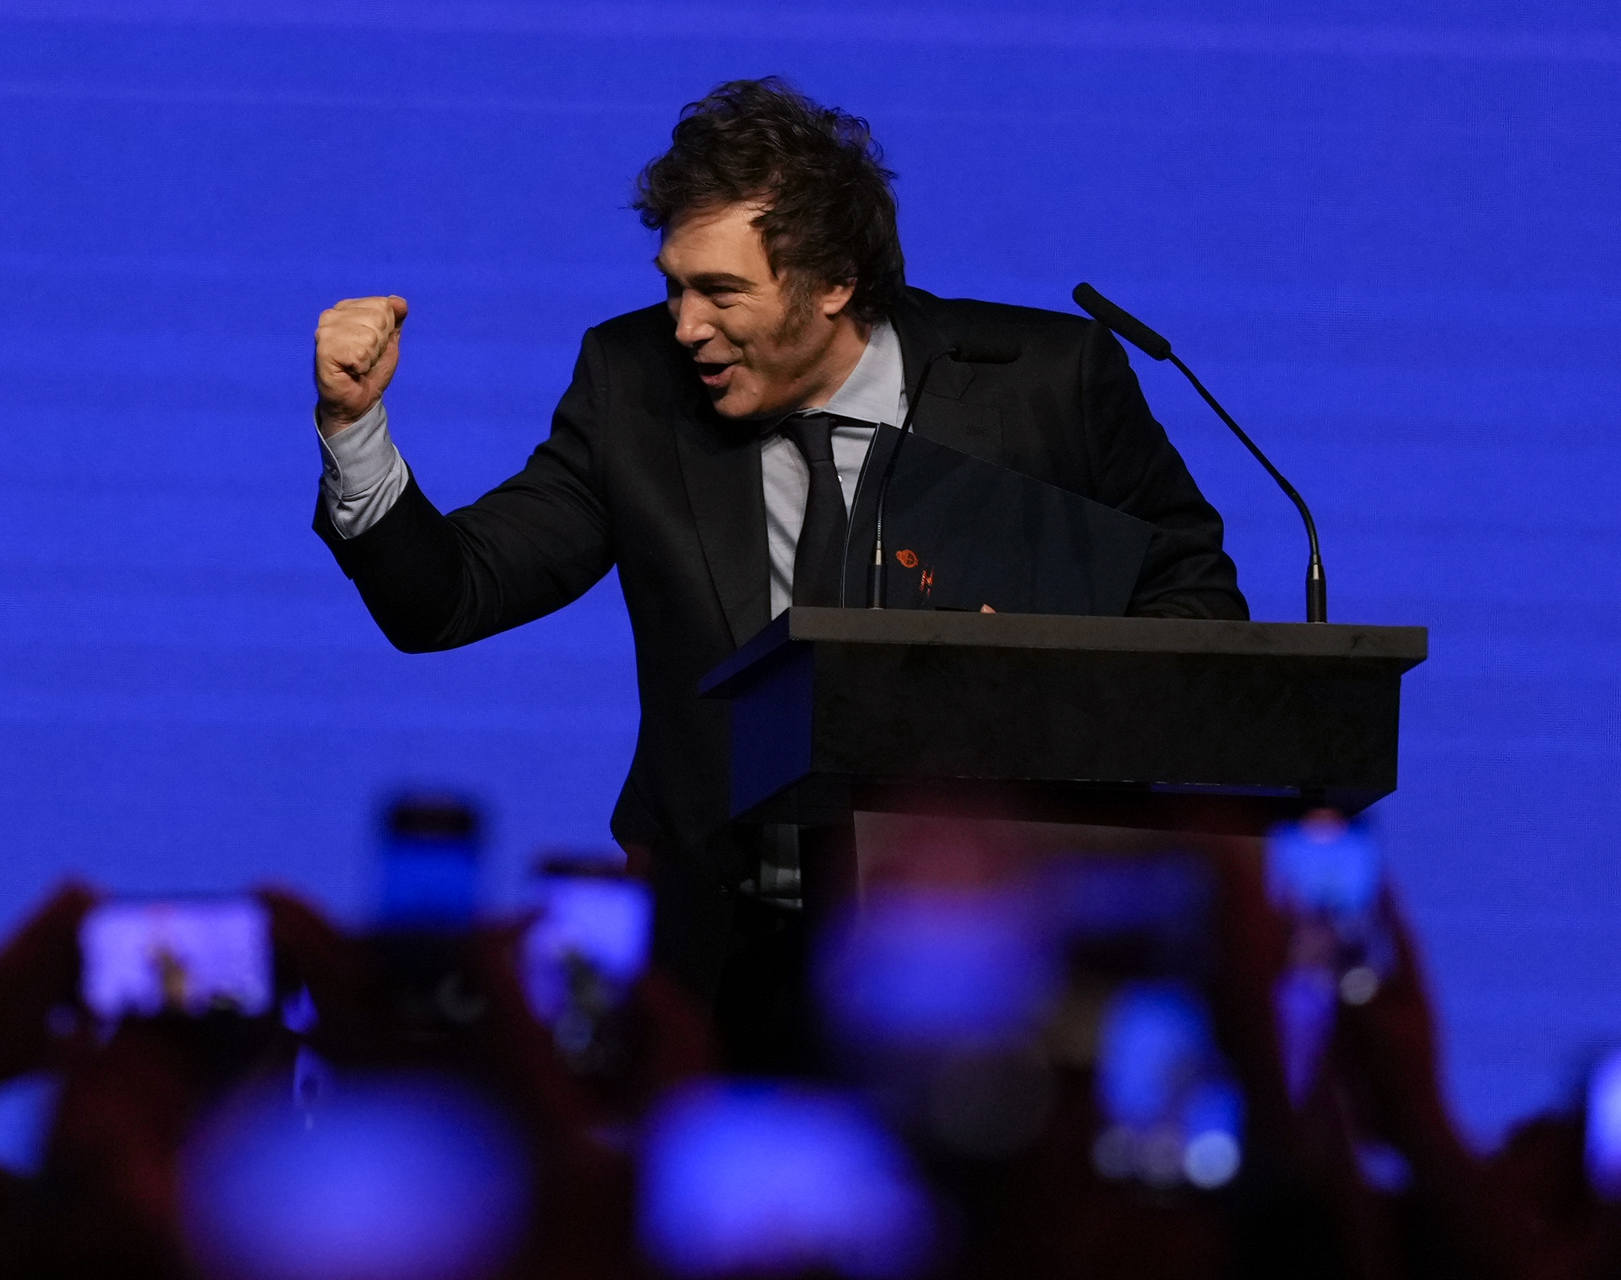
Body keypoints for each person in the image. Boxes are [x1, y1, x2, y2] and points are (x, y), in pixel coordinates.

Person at [308, 78, 1247, 1064]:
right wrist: (355, 428)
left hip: (987, 961)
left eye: (720, 291)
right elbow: (449, 592)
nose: (683, 325)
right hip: (725, 958)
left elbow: (1196, 614)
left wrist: (1033, 705)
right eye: (674, 284)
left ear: (832, 279)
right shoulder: (634, 389)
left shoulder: (1047, 384)